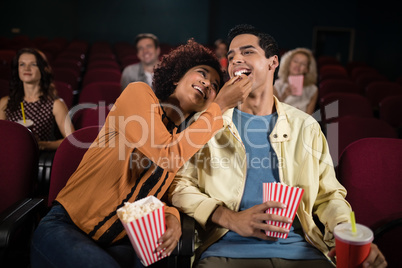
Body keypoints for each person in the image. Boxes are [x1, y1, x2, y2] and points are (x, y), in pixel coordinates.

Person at [168, 24, 387, 268]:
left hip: (301, 252)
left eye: (247, 52)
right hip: (225, 250)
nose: (236, 60)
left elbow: (329, 196)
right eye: (231, 57)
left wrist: (349, 234)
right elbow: (180, 185)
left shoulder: (306, 127)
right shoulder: (206, 124)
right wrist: (231, 218)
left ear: (273, 63)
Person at [30, 39, 252, 268]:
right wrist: (221, 105)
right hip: (65, 226)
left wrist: (172, 217)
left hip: (117, 239)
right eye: (202, 74)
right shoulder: (138, 93)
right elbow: (167, 154)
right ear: (177, 77)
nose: (207, 84)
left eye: (215, 86)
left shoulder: (183, 137)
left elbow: (152, 194)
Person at [0, 47, 74, 151]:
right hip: (9, 155)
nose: (26, 68)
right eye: (22, 64)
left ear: (44, 69)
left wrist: (42, 144)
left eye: (33, 64)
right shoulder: (4, 102)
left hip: (38, 160)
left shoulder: (56, 104)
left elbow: (71, 139)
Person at [273, 47, 318, 115]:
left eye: (303, 64)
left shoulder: (312, 90)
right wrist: (284, 96)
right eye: (295, 61)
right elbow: (272, 113)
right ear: (288, 63)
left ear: (307, 69)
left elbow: (309, 118)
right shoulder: (276, 85)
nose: (298, 65)